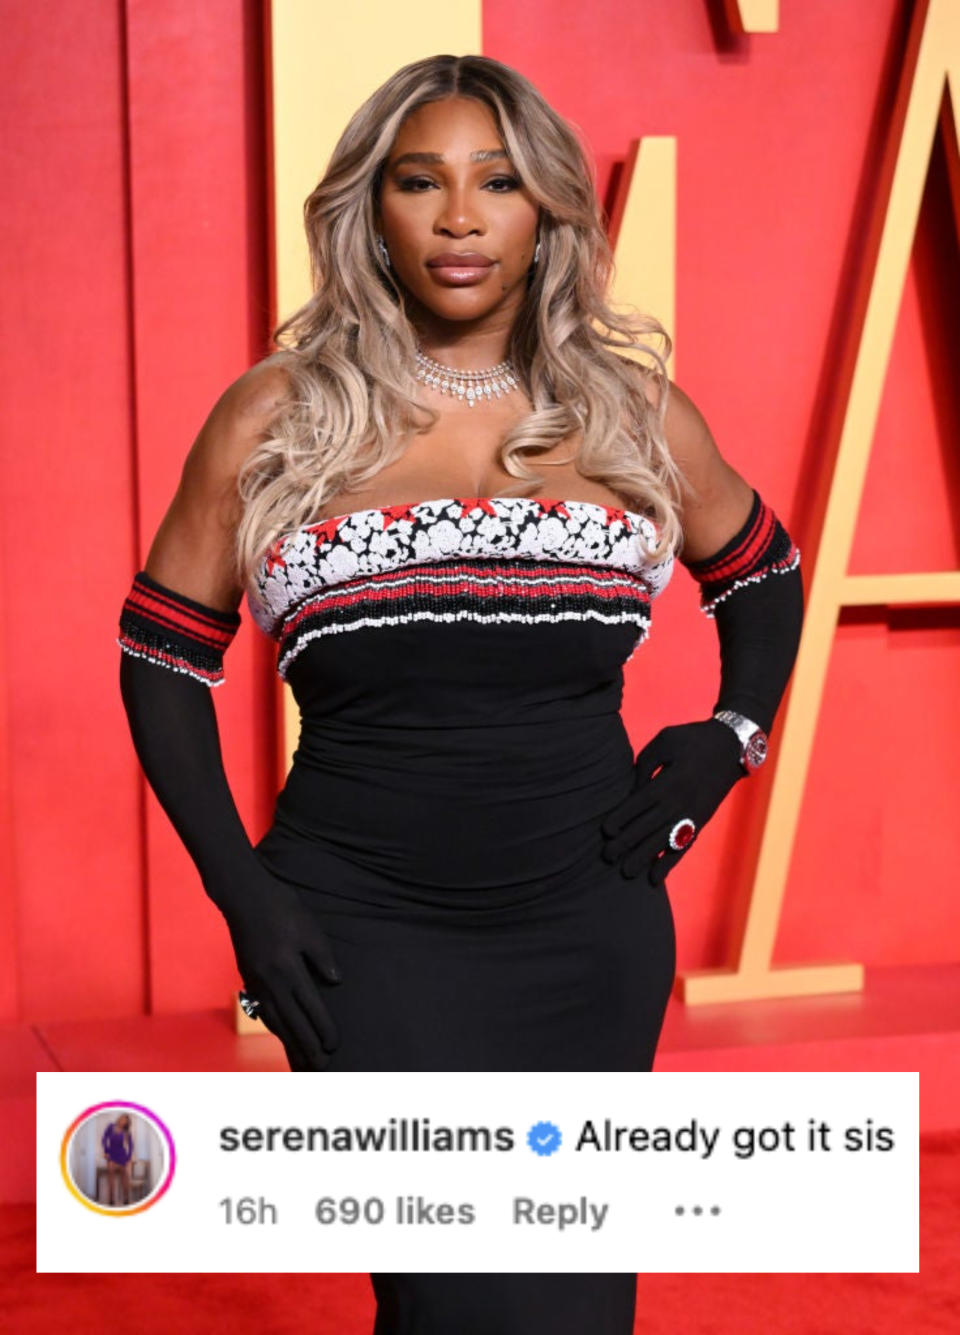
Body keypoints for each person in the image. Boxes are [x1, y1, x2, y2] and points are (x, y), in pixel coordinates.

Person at [117, 53, 803, 1335]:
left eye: (497, 183)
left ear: (545, 209)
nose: (458, 219)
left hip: (588, 933)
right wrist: (245, 894)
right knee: (456, 1303)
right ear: (369, 209)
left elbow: (762, 574)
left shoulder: (629, 412)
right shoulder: (279, 415)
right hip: (358, 939)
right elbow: (160, 664)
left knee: (581, 1306)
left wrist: (733, 732)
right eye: (419, 182)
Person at [101, 1113, 134, 1207]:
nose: (123, 1121)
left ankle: (126, 1198)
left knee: (124, 1176)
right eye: (122, 1119)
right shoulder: (110, 1126)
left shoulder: (127, 1132)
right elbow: (104, 1138)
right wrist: (106, 1151)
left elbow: (131, 1145)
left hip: (121, 1155)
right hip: (111, 1154)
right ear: (119, 1118)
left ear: (127, 1123)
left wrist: (128, 1157)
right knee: (110, 1174)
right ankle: (111, 1199)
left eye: (125, 1121)